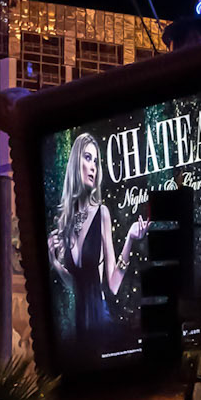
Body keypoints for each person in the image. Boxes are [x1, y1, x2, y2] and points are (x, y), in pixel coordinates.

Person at [48, 134, 149, 352]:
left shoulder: (102, 213)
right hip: (80, 330)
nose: (93, 166)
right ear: (76, 163)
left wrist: (130, 240)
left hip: (101, 323)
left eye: (96, 161)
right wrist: (54, 263)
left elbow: (112, 286)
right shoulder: (65, 222)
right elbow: (76, 285)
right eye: (87, 158)